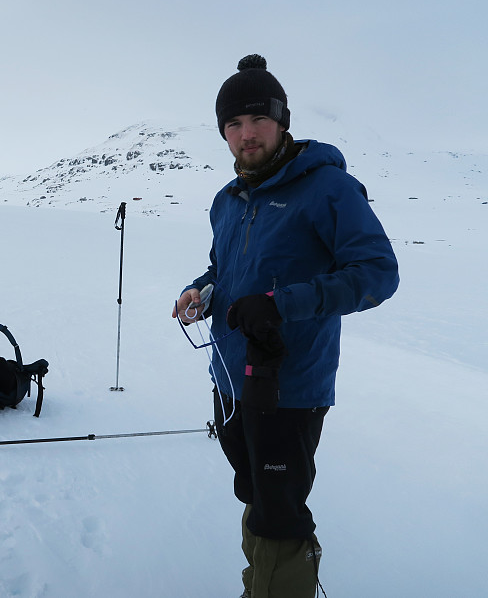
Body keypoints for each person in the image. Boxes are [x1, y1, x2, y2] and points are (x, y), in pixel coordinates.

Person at [172, 54, 399, 597]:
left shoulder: (326, 188)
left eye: (257, 121)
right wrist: (200, 291)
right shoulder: (226, 202)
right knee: (253, 490)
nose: (246, 135)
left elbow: (377, 274)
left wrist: (280, 304)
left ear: (283, 121)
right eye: (233, 124)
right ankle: (263, 582)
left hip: (290, 385)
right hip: (229, 377)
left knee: (280, 510)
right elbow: (224, 269)